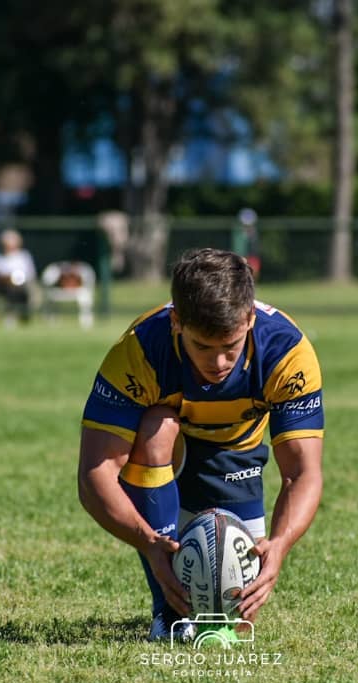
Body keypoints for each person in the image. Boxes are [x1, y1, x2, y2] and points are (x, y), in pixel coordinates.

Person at [77, 248, 324, 640]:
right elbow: (95, 472)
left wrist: (279, 544)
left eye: (231, 346)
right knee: (158, 424)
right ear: (177, 322)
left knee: (235, 617)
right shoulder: (141, 349)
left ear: (249, 319)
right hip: (165, 452)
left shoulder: (287, 353)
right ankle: (168, 614)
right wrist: (149, 543)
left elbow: (302, 472)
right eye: (203, 347)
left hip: (235, 453)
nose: (220, 362)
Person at [0, 228, 36, 326]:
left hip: (17, 286)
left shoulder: (23, 256)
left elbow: (29, 274)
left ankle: (11, 316)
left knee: (13, 288)